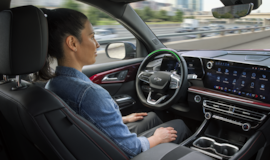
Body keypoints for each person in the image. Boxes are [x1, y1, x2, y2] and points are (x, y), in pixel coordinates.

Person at [36, 8, 191, 158]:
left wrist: (121, 119)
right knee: (180, 125)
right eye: (91, 37)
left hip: (91, 147)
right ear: (72, 43)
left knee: (151, 117)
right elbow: (130, 149)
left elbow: (80, 122)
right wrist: (157, 138)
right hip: (118, 153)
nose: (97, 44)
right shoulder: (90, 93)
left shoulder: (53, 84)